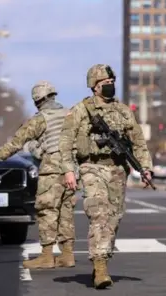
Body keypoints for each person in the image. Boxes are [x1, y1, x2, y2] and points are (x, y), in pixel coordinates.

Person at [58, 64, 153, 289]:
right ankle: (100, 267)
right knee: (99, 213)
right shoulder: (81, 110)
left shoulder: (123, 111)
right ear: (94, 86)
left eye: (111, 83)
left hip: (118, 170)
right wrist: (68, 170)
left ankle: (103, 258)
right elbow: (66, 141)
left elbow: (138, 142)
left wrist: (146, 168)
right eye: (104, 84)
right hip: (92, 167)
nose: (109, 87)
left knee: (114, 217)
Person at [0, 81, 77, 269]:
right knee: (65, 211)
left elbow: (15, 143)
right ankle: (67, 254)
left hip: (52, 169)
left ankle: (46, 256)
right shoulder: (69, 114)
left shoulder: (40, 119)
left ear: (37, 100)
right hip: (71, 170)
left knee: (46, 210)